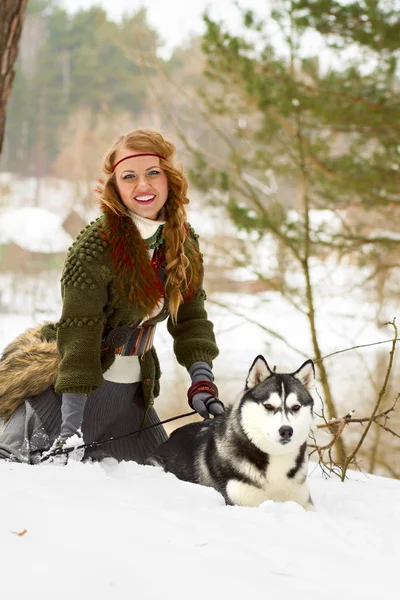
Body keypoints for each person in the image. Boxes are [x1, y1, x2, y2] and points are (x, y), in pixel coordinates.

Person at [0, 129, 223, 465]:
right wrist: (70, 425)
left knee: (159, 478)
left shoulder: (183, 240)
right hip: (73, 389)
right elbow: (80, 333)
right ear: (115, 186)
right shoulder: (95, 246)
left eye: (152, 173)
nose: (142, 185)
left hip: (132, 392)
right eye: (128, 177)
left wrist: (201, 382)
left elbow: (191, 320)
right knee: (30, 470)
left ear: (169, 178)